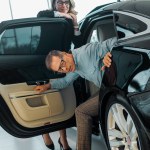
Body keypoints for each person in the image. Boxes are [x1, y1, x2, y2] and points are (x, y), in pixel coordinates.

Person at [34, 37, 117, 150]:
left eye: (62, 63)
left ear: (65, 54)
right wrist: (47, 86)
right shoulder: (74, 66)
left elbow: (114, 42)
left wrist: (112, 54)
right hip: (106, 90)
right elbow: (65, 81)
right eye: (60, 69)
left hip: (115, 88)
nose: (65, 69)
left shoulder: (86, 52)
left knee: (81, 112)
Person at [37, 0, 80, 150]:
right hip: (45, 61)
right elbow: (40, 14)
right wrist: (63, 15)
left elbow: (78, 40)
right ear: (55, 4)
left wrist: (74, 23)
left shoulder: (69, 21)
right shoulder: (48, 15)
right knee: (48, 99)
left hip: (62, 62)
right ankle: (45, 133)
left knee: (61, 100)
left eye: (66, 3)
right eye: (60, 2)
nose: (64, 5)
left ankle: (63, 139)